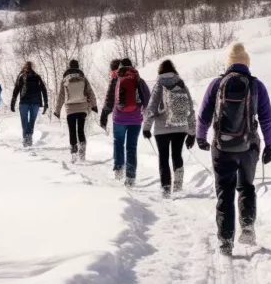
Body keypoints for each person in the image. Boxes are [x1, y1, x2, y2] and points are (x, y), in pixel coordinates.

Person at [196, 43, 271, 256]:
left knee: (224, 193)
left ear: (228, 64)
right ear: (247, 64)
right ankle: (247, 226)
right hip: (249, 147)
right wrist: (270, 144)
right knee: (246, 186)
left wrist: (201, 137)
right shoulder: (257, 86)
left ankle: (225, 241)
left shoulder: (217, 84)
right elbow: (266, 118)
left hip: (222, 148)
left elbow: (203, 115)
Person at [143, 59, 196, 198]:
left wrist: (146, 127)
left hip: (162, 129)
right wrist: (192, 132)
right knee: (177, 155)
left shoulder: (158, 85)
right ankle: (178, 186)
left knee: (164, 158)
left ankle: (166, 188)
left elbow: (152, 108)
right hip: (180, 127)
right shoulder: (181, 84)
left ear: (160, 71)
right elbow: (190, 108)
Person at [100, 57, 150, 187]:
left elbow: (109, 100)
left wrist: (104, 115)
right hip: (135, 120)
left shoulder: (116, 80)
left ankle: (118, 169)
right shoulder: (138, 80)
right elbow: (148, 99)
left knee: (118, 143)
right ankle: (131, 177)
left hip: (119, 119)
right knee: (131, 147)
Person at [54, 59, 98, 163]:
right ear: (78, 67)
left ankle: (73, 155)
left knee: (72, 131)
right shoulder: (83, 78)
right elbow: (90, 92)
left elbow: (61, 96)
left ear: (69, 67)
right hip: (82, 108)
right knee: (81, 131)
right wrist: (94, 105)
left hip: (70, 109)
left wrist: (57, 110)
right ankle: (82, 155)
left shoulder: (65, 79)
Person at [11, 61, 48, 147]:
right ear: (32, 67)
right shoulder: (37, 77)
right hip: (35, 103)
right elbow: (44, 89)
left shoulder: (21, 76)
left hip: (24, 102)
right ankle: (29, 139)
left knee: (24, 122)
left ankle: (25, 140)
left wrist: (12, 103)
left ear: (25, 67)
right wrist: (46, 103)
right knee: (32, 121)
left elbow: (16, 90)